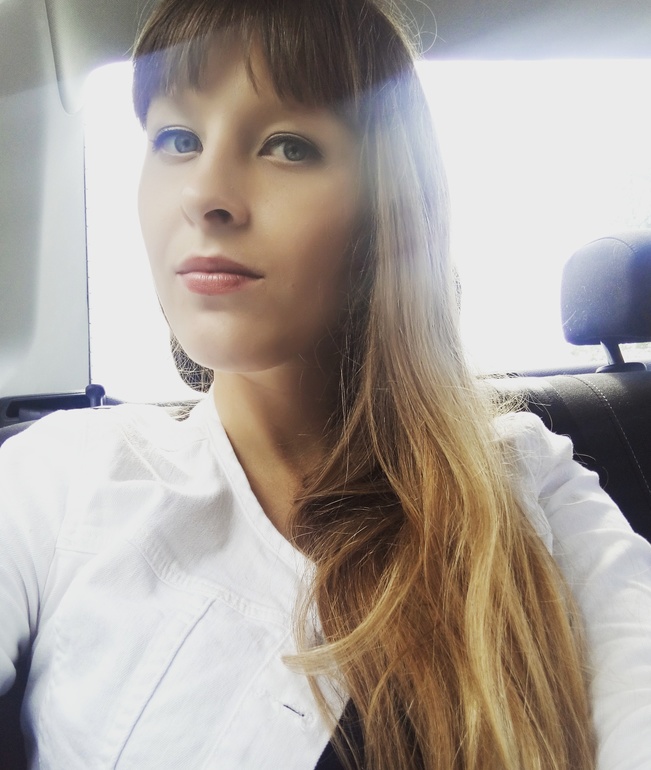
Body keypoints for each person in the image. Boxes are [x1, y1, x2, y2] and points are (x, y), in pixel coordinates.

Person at [1, 0, 650, 768]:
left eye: (286, 146)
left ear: (385, 211)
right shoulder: (62, 477)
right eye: (176, 139)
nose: (204, 194)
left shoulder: (525, 484)